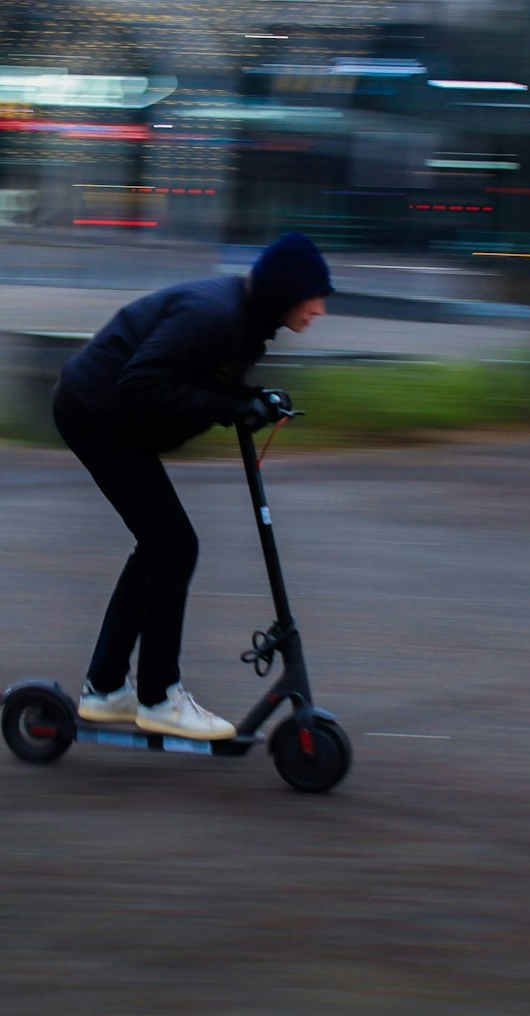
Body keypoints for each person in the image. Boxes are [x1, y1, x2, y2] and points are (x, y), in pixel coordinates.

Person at [50, 232, 333, 740]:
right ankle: (159, 698)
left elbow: (198, 376)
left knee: (162, 545)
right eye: (313, 296)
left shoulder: (246, 321)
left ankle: (107, 687)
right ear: (284, 290)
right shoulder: (216, 315)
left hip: (109, 414)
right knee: (173, 546)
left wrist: (253, 398)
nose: (319, 309)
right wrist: (230, 407)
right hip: (94, 412)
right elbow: (140, 384)